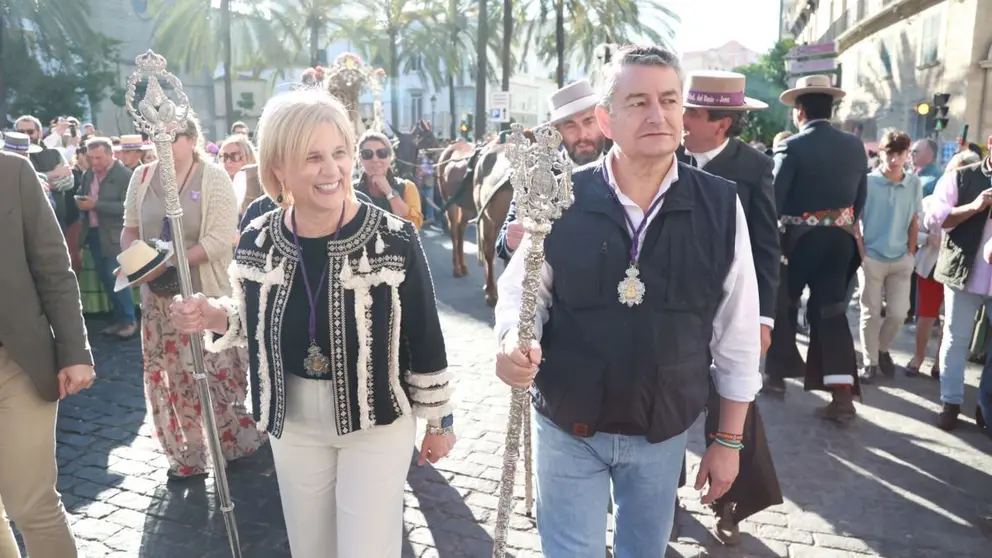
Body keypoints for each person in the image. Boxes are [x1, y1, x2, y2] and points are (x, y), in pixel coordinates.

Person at [494, 44, 761, 557]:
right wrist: (512, 343)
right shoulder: (559, 197)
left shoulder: (721, 206)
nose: (657, 115)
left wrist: (728, 440)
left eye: (669, 100)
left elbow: (738, 333)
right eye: (638, 102)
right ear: (606, 118)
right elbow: (523, 294)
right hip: (567, 425)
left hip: (662, 434)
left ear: (684, 111)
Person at [169, 87, 454, 557]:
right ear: (279, 168)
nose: (332, 169)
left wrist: (439, 421)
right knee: (311, 548)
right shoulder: (259, 238)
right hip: (293, 418)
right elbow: (251, 317)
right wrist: (212, 313)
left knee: (365, 549)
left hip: (375, 418)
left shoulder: (394, 238)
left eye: (340, 153)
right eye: (312, 157)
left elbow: (425, 336)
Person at [121, 112, 267, 479]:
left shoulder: (213, 177)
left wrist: (172, 262)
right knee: (170, 375)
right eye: (155, 138)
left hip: (205, 294)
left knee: (213, 372)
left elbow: (219, 240)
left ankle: (231, 439)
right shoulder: (141, 177)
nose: (162, 146)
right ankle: (187, 451)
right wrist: (136, 263)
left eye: (170, 138)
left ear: (190, 138)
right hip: (158, 300)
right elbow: (130, 228)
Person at [679, 69, 782, 543]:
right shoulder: (668, 155)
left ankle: (731, 504)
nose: (681, 119)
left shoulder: (753, 167)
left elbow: (765, 246)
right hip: (671, 307)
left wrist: (762, 318)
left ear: (721, 124)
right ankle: (661, 491)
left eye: (693, 113)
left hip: (728, 309)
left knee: (733, 408)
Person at [0, 150, 96, 558]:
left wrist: (75, 350)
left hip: (15, 361)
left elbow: (54, 268)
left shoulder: (11, 172)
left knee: (31, 503)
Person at [763, 75, 867, 425]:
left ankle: (776, 377)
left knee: (784, 304)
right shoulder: (854, 147)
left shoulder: (791, 147)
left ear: (800, 110)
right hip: (840, 240)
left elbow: (773, 200)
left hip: (798, 240)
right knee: (833, 311)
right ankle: (842, 396)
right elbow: (860, 200)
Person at [495, 79, 608, 262]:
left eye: (589, 121)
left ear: (603, 121)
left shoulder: (627, 171)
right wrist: (511, 241)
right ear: (558, 131)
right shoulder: (535, 178)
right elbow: (503, 246)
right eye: (570, 125)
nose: (582, 135)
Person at [924, 135, 992, 430]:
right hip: (963, 273)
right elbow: (937, 219)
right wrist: (975, 206)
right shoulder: (962, 177)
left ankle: (986, 406)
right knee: (956, 339)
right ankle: (950, 402)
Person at [857, 130, 922, 383]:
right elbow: (854, 220)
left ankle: (881, 349)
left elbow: (915, 219)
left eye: (900, 154)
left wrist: (911, 251)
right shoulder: (868, 181)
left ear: (907, 155)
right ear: (881, 153)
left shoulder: (914, 183)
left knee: (898, 314)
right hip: (872, 256)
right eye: (890, 153)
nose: (894, 159)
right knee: (869, 313)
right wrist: (862, 252)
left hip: (900, 258)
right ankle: (869, 362)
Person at [353, 130, 424, 229]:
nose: (375, 159)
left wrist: (388, 190)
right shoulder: (350, 190)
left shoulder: (407, 187)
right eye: (367, 154)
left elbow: (414, 226)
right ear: (360, 159)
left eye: (381, 153)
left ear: (390, 157)